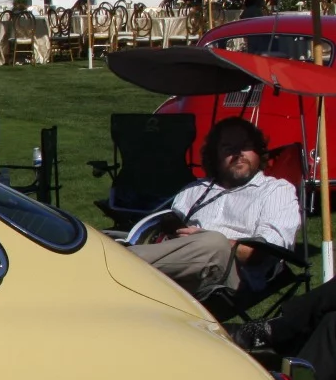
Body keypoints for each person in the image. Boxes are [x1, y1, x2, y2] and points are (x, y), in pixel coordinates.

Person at [128, 117, 300, 298]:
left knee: (214, 242)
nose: (238, 154)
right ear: (215, 155)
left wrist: (206, 239)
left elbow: (261, 253)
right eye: (228, 148)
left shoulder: (276, 190)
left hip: (235, 275)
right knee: (112, 236)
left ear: (259, 151)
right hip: (180, 268)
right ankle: (121, 258)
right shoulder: (194, 189)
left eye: (245, 146)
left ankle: (121, 261)